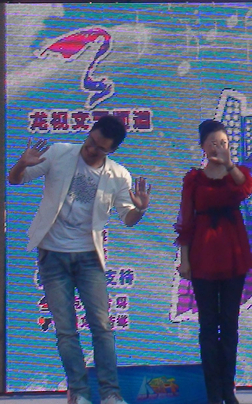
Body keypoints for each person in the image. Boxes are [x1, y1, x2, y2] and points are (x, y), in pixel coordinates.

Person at [8, 116, 151, 404]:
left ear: (111, 151)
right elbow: (15, 179)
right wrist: (22, 163)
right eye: (90, 141)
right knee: (65, 329)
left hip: (88, 257)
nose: (91, 149)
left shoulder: (118, 175)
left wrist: (140, 210)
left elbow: (128, 218)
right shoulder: (59, 152)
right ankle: (80, 393)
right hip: (52, 254)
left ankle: (110, 394)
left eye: (100, 148)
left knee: (102, 326)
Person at [175, 119, 252, 404]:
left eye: (223, 142)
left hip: (233, 253)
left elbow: (248, 188)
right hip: (203, 254)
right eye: (213, 142)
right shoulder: (194, 179)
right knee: (208, 327)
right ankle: (213, 392)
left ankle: (228, 389)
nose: (218, 147)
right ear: (202, 146)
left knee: (230, 325)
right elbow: (185, 221)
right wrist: (185, 260)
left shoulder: (237, 174)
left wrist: (229, 164)